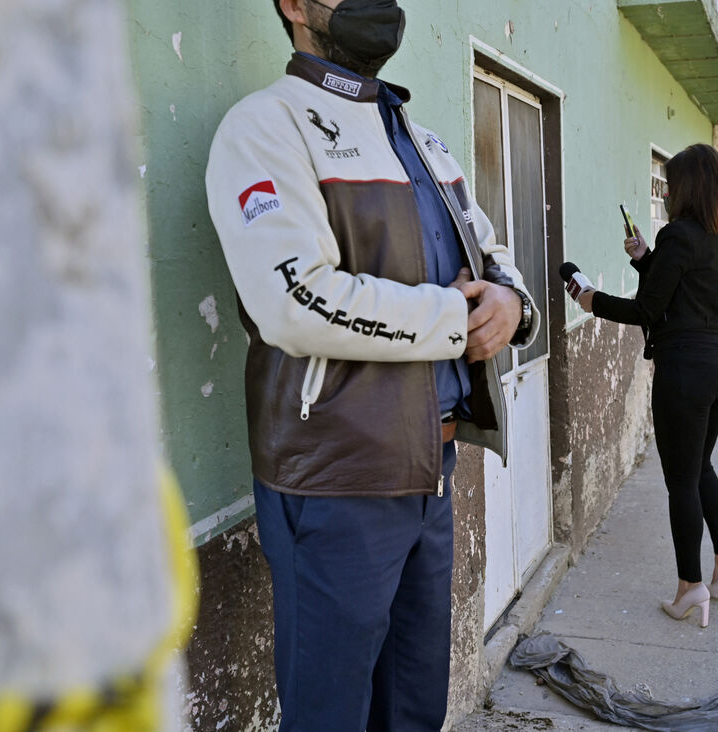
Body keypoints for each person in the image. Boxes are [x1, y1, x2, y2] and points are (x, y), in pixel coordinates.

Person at [204, 1, 539, 729]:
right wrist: (457, 321)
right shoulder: (266, 127)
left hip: (432, 471)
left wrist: (512, 305)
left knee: (413, 706)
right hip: (334, 480)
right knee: (331, 714)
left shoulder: (420, 139)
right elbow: (294, 299)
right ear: (294, 7)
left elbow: (490, 253)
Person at [578, 144, 718, 629]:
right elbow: (683, 289)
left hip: (686, 369)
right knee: (700, 467)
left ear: (687, 187)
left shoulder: (680, 234)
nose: (667, 190)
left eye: (671, 182)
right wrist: (644, 257)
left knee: (681, 480)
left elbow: (648, 310)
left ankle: (690, 588)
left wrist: (591, 299)